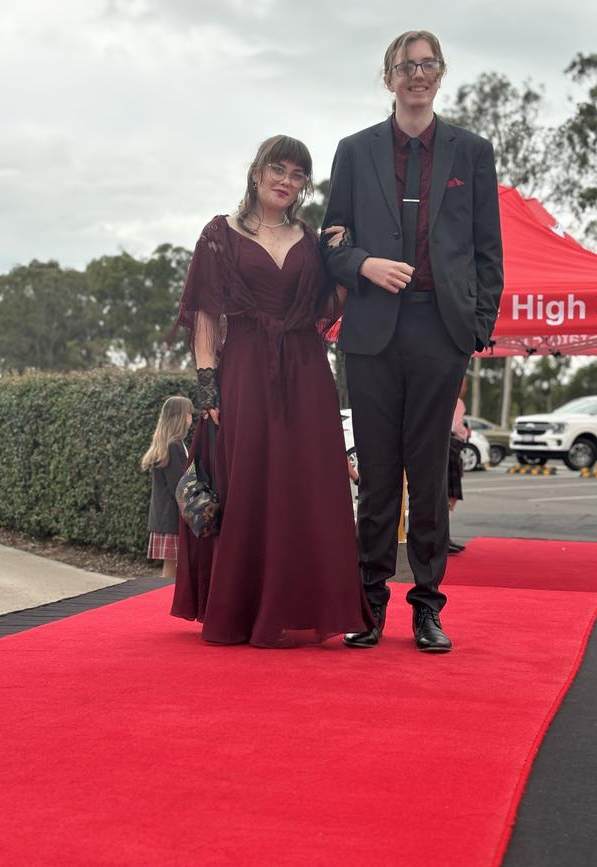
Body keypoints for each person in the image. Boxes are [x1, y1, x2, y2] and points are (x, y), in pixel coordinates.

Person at [321, 30, 504, 651]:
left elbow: (487, 251)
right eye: (406, 66)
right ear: (389, 77)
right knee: (375, 476)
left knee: (428, 476)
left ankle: (428, 606)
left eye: (427, 66)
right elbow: (332, 241)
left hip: (440, 330)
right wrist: (365, 265)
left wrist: (476, 329)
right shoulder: (353, 150)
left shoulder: (472, 153)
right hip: (370, 332)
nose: (417, 75)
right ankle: (367, 603)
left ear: (441, 73)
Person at [169, 134, 373, 648]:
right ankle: (243, 610)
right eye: (278, 169)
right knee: (249, 482)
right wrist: (208, 389)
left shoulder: (311, 239)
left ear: (303, 186)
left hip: (306, 371)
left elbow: (330, 304)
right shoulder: (221, 234)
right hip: (243, 371)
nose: (286, 180)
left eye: (297, 174)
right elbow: (206, 317)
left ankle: (301, 606)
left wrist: (348, 256)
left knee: (307, 485)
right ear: (257, 172)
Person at [142, 396, 194, 579]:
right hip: (172, 518)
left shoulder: (171, 445)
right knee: (171, 571)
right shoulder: (174, 447)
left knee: (171, 568)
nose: (191, 418)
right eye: (189, 414)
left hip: (165, 517)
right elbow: (178, 487)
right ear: (180, 417)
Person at [448, 378, 469, 554]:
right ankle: (444, 537)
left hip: (444, 447)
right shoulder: (457, 402)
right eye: (464, 384)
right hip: (452, 447)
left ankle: (444, 537)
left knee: (445, 495)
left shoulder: (442, 398)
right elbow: (455, 425)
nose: (465, 388)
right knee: (450, 495)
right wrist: (464, 431)